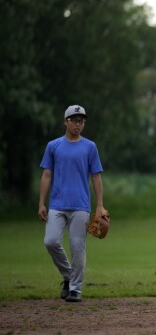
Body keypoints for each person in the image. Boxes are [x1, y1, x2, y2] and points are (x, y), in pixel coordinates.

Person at [38, 105, 105, 302]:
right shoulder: (53, 146)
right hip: (57, 204)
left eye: (81, 121)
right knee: (50, 241)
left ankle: (75, 289)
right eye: (74, 120)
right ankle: (68, 275)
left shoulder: (90, 147)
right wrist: (41, 203)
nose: (78, 124)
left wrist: (100, 204)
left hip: (80, 206)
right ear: (66, 121)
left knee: (77, 247)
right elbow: (47, 174)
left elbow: (96, 177)